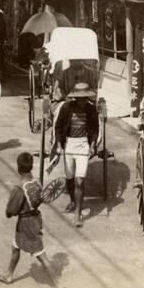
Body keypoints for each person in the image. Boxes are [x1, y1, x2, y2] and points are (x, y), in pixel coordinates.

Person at [0, 152, 64, 288]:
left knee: (41, 255)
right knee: (15, 247)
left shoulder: (19, 188)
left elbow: (10, 211)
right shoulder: (37, 182)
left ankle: (57, 287)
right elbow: (39, 200)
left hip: (26, 224)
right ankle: (8, 275)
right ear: (31, 166)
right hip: (33, 219)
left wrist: (12, 211)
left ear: (18, 168)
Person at [54, 82, 99, 228]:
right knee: (70, 178)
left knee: (80, 181)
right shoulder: (67, 108)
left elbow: (95, 128)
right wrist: (60, 144)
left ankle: (78, 214)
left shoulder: (91, 109)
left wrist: (92, 144)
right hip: (69, 145)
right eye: (80, 98)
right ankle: (73, 200)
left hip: (83, 146)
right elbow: (58, 126)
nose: (82, 101)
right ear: (75, 98)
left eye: (85, 98)